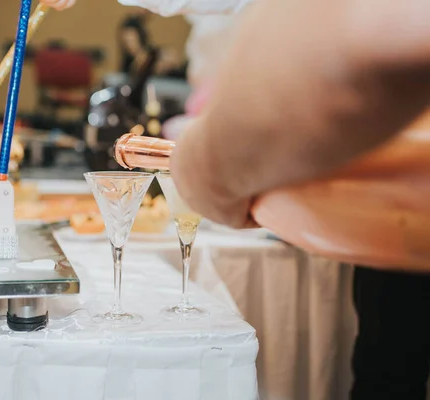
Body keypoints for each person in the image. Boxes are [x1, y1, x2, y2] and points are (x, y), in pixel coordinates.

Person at [41, 0, 430, 398]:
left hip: (398, 212)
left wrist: (214, 175)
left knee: (388, 366)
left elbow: (341, 48)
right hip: (394, 225)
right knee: (388, 361)